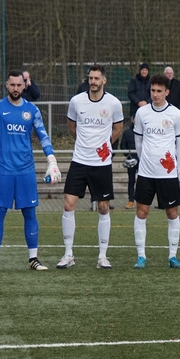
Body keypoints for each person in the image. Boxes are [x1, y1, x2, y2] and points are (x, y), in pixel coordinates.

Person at [0, 70, 61, 271]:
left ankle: (33, 258)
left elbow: (43, 136)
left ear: (25, 86)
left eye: (19, 85)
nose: (16, 88)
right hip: (3, 170)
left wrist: (52, 161)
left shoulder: (32, 110)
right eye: (12, 85)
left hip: (26, 170)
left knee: (30, 214)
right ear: (6, 85)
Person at [57, 65, 124, 269]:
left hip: (101, 164)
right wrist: (83, 144)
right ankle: (68, 254)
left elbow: (118, 128)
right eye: (91, 78)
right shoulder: (76, 101)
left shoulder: (113, 103)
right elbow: (72, 127)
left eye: (96, 78)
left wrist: (106, 145)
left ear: (104, 80)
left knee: (103, 207)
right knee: (68, 205)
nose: (93, 81)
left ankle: (102, 256)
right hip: (79, 161)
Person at [132, 72, 180, 268]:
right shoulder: (142, 113)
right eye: (153, 90)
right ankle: (141, 256)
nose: (155, 94)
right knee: (141, 212)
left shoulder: (176, 114)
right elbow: (139, 142)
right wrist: (144, 162)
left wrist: (177, 171)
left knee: (172, 213)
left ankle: (173, 256)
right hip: (146, 173)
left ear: (167, 92)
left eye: (159, 91)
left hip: (168, 174)